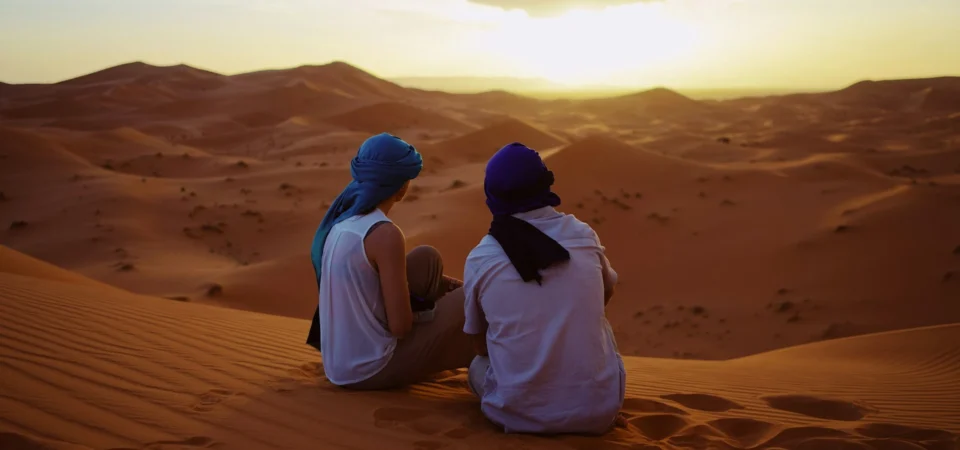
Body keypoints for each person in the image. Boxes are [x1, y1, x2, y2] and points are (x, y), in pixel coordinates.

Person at [462, 142, 625, 434]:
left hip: (516, 416)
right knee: (602, 327)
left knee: (477, 367)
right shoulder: (583, 235)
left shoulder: (482, 256)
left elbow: (478, 345)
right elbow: (606, 293)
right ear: (544, 184)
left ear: (492, 193)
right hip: (599, 415)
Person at [306, 133, 474, 389]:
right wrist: (438, 313)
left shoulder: (342, 221)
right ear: (402, 185)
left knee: (426, 259)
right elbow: (400, 327)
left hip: (339, 364)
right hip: (370, 368)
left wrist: (444, 289)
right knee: (474, 296)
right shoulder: (384, 234)